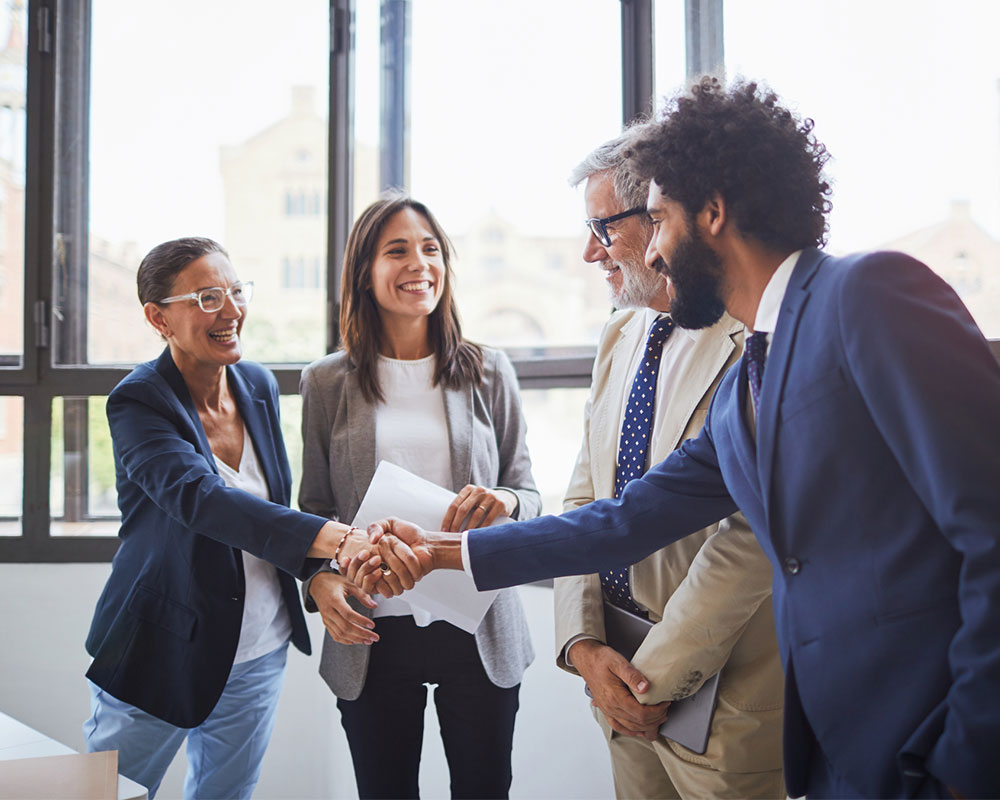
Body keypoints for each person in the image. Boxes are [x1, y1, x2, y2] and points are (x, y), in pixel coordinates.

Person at [366, 79, 1000, 799]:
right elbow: (623, 520)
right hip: (838, 754)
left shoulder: (870, 293)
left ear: (714, 213)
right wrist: (438, 554)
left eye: (658, 220)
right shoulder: (746, 387)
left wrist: (965, 761)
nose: (656, 252)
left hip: (929, 745)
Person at [82, 237, 388, 799]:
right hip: (162, 646)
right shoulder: (139, 401)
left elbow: (270, 510)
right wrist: (337, 540)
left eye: (235, 291)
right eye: (206, 297)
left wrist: (315, 573)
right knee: (109, 793)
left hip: (257, 650)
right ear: (159, 318)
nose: (230, 310)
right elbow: (198, 499)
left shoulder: (257, 384)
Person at [555, 129, 783, 798]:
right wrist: (582, 645)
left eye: (603, 227)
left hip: (724, 697)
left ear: (662, 216)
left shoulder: (753, 338)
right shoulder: (620, 330)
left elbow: (750, 538)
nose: (590, 251)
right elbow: (585, 497)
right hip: (613, 674)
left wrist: (651, 676)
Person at [298, 190, 539, 800]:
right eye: (397, 250)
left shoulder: (489, 369)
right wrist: (319, 580)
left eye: (431, 249)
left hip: (477, 622)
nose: (419, 264)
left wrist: (505, 503)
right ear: (365, 271)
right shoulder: (327, 381)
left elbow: (529, 493)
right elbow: (313, 511)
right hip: (373, 627)